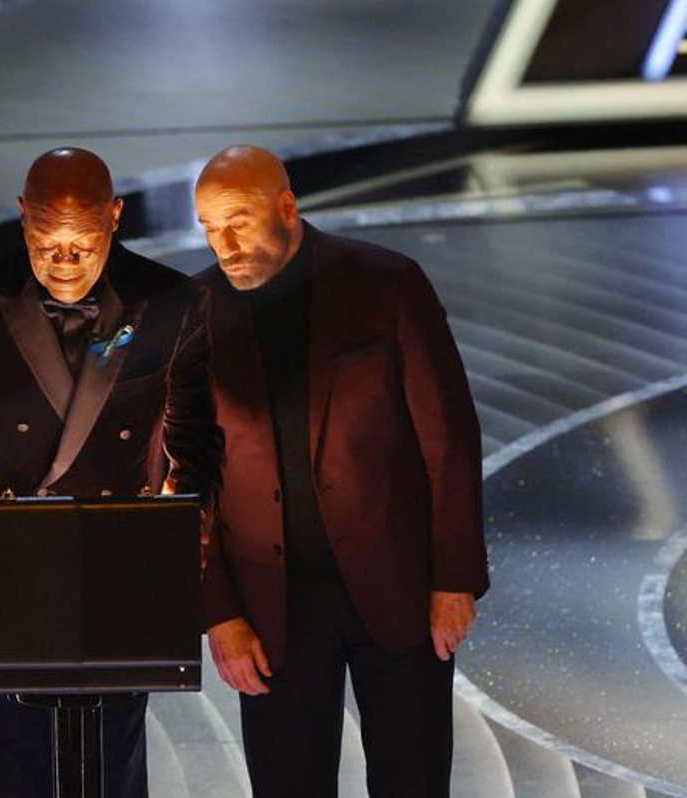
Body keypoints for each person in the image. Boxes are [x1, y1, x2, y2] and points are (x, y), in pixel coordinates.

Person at [0, 146, 223, 798]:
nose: (64, 261)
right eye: (45, 243)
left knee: (114, 764)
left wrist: (190, 515)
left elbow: (196, 438)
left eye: (82, 244)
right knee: (11, 765)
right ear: (21, 216)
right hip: (6, 570)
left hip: (121, 567)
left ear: (114, 217)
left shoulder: (170, 301)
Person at [195, 144, 488, 798]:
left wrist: (455, 578)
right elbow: (187, 481)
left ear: (287, 206)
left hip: (400, 587)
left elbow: (448, 436)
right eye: (210, 227)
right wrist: (219, 613)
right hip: (270, 608)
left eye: (238, 221)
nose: (225, 244)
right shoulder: (194, 312)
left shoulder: (387, 283)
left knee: (413, 783)